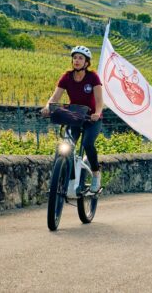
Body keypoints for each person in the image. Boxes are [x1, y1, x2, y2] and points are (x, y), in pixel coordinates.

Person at [40, 45, 103, 194]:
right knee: (65, 147)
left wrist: (97, 113)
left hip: (92, 119)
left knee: (87, 144)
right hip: (75, 117)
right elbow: (55, 97)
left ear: (86, 62)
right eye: (75, 58)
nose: (77, 60)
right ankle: (61, 181)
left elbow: (99, 100)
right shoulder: (67, 77)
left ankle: (96, 174)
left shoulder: (92, 77)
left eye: (80, 58)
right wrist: (47, 107)